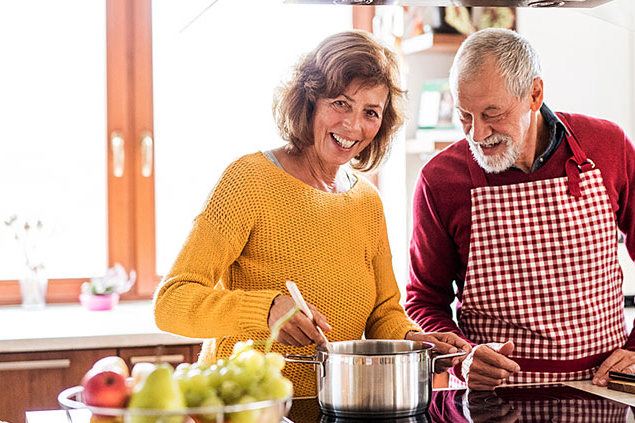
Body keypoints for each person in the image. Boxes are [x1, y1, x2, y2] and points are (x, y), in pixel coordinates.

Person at [153, 30, 469, 397]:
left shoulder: (367, 201)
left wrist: (417, 341)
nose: (353, 126)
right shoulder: (249, 180)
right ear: (309, 99)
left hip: (336, 410)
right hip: (247, 407)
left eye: (370, 112)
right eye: (340, 103)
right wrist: (266, 309)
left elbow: (383, 314)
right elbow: (171, 301)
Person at [405, 28, 635, 391]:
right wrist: (462, 360)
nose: (477, 133)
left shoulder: (607, 146)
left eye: (493, 113)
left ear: (534, 94)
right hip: (493, 403)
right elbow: (425, 300)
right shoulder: (440, 180)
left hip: (604, 392)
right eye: (465, 116)